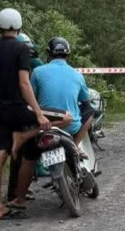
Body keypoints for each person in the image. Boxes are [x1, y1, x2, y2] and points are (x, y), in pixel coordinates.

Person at [0, 9, 50, 220]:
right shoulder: (22, 49)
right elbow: (24, 83)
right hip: (19, 109)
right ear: (19, 26)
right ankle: (22, 137)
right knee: (62, 119)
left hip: (0, 110)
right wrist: (39, 113)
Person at [30, 38, 89, 178]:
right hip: (71, 126)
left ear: (48, 53)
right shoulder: (77, 75)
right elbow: (85, 101)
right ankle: (76, 145)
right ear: (68, 54)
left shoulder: (37, 71)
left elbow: (31, 97)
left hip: (45, 124)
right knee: (90, 112)